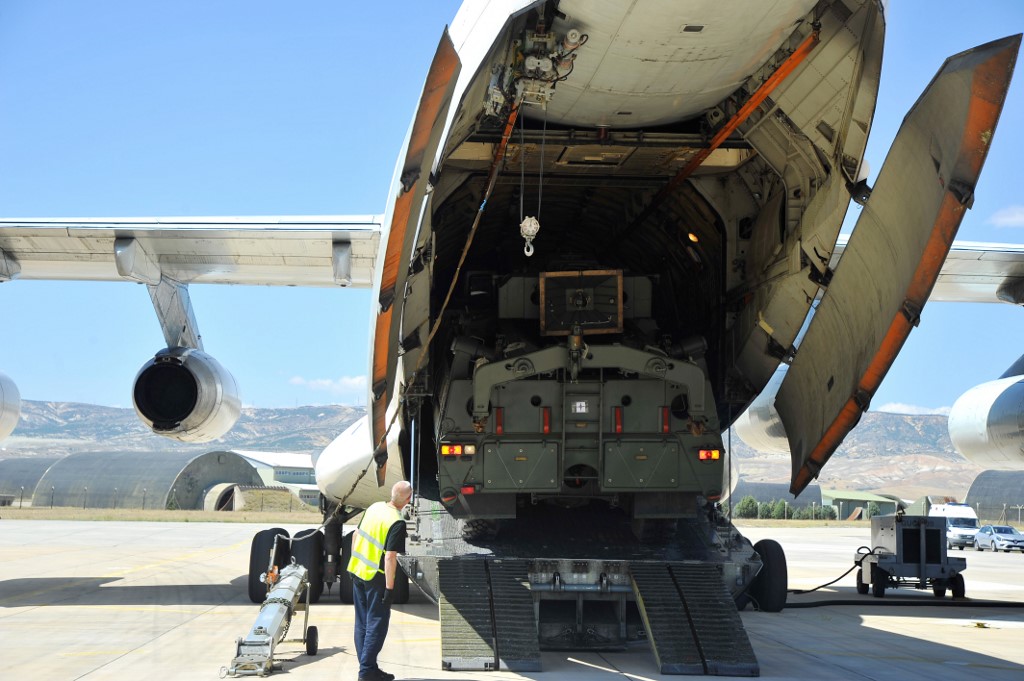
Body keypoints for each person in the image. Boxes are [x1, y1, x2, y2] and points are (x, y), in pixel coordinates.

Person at [347, 480, 412, 681]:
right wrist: (389, 589)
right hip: (375, 576)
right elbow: (390, 557)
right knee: (377, 623)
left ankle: (369, 668)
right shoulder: (397, 521)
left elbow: (355, 535)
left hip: (357, 571)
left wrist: (353, 561)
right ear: (408, 500)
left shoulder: (374, 507)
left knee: (362, 622)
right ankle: (366, 671)